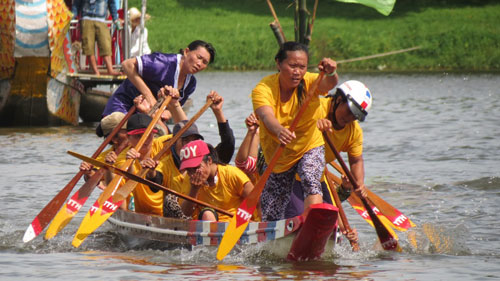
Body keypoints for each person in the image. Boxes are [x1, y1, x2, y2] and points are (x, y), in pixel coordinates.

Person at [251, 41, 338, 221]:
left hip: (309, 145)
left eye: (302, 67)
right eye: (292, 66)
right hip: (277, 154)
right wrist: (278, 130)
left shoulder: (311, 81)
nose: (297, 72)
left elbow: (328, 84)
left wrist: (331, 72)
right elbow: (266, 116)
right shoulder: (263, 88)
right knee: (272, 211)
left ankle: (312, 224)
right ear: (278, 63)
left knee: (309, 176)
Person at [144, 91, 236, 218]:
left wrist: (218, 112)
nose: (190, 144)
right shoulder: (166, 163)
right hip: (179, 217)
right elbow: (155, 184)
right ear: (173, 141)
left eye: (194, 139)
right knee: (170, 200)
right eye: (185, 140)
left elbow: (228, 144)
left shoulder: (207, 158)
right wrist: (151, 173)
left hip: (207, 215)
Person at [102, 40, 216, 122]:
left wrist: (169, 113)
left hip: (147, 118)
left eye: (205, 62)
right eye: (199, 57)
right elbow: (127, 64)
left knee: (166, 137)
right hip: (122, 109)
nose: (199, 64)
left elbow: (174, 109)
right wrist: (149, 97)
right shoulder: (162, 63)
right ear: (186, 52)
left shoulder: (191, 84)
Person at [179, 140, 254, 222]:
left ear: (209, 161)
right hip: (206, 224)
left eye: (196, 168)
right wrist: (194, 190)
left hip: (235, 226)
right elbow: (185, 213)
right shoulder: (190, 179)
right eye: (189, 170)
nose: (193, 174)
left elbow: (256, 199)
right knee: (207, 214)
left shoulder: (232, 174)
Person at [79, 111, 129, 189]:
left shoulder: (141, 146)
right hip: (120, 193)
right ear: (114, 139)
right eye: (127, 130)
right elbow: (93, 178)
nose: (132, 132)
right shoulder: (103, 157)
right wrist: (88, 173)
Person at [71, 0, 122, 76]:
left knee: (106, 45)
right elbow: (76, 4)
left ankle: (110, 70)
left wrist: (115, 18)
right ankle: (95, 71)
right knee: (88, 47)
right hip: (86, 18)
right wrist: (72, 17)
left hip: (101, 19)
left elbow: (111, 4)